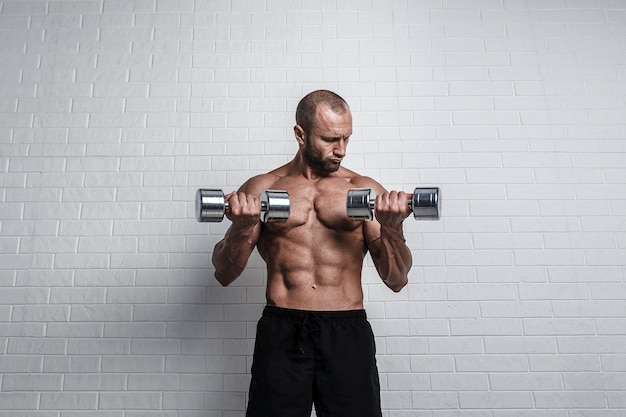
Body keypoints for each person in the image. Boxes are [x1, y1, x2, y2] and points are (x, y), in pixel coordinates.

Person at [212, 90, 413, 417]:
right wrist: (241, 226)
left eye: (347, 138)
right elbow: (224, 272)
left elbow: (397, 279)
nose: (342, 150)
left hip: (347, 333)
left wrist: (391, 227)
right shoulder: (264, 188)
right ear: (300, 135)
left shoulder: (363, 190)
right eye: (330, 139)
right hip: (282, 331)